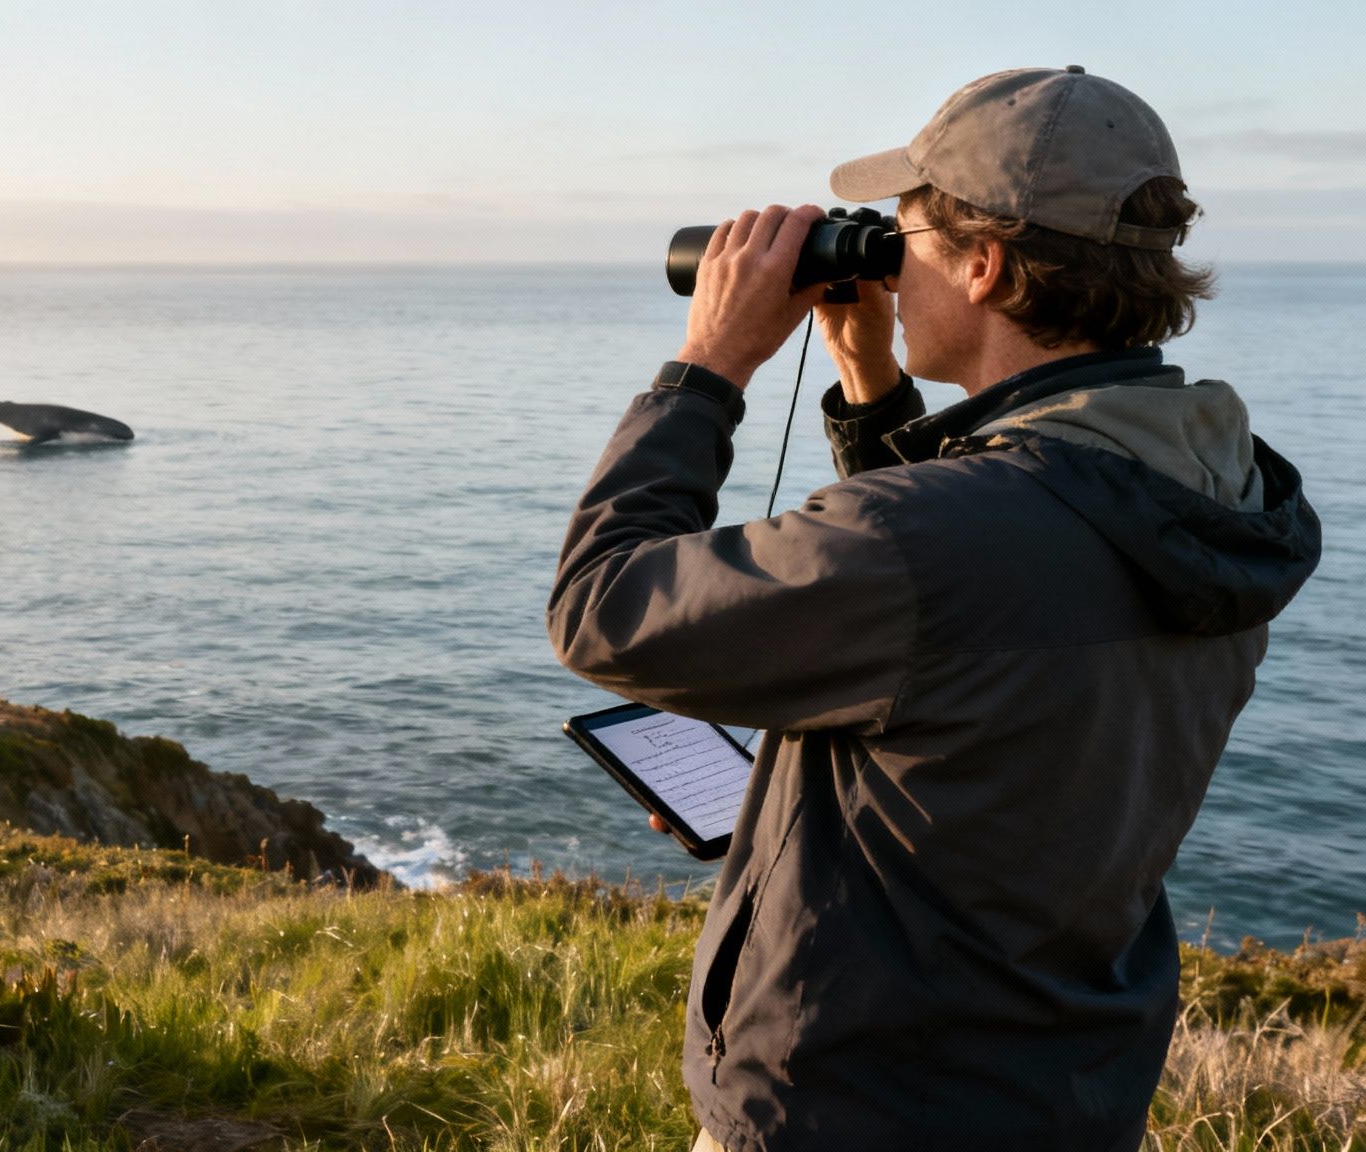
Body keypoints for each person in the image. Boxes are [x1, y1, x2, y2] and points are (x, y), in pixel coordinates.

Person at [548, 67, 1320, 1151]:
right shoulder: (1213, 492)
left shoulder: (939, 536)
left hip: (852, 1104)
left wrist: (707, 366)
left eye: (899, 235)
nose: (884, 260)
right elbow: (971, 647)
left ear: (983, 265)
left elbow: (601, 609)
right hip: (1061, 1092)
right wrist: (871, 385)